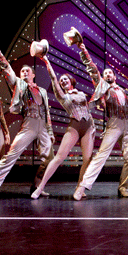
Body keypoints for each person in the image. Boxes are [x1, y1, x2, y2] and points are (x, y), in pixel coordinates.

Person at [0, 41, 54, 199]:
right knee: (9, 156)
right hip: (29, 124)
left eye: (27, 71)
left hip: (42, 125)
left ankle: (37, 186)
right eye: (22, 71)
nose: (24, 73)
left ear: (33, 74)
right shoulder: (18, 84)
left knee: (50, 158)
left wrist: (50, 131)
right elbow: (5, 66)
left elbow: (47, 113)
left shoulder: (42, 91)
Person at [73, 42, 128, 200]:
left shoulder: (121, 90)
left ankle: (123, 187)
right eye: (105, 73)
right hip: (114, 123)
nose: (107, 75)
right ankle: (82, 187)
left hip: (126, 124)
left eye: (110, 73)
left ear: (114, 76)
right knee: (102, 155)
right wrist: (83, 49)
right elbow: (93, 69)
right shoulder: (103, 88)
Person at [31, 55, 95, 199]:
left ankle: (80, 188)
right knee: (59, 157)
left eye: (65, 79)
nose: (63, 81)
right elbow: (54, 79)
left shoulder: (82, 94)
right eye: (62, 81)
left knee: (87, 159)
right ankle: (40, 187)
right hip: (74, 126)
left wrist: (94, 127)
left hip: (88, 127)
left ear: (71, 81)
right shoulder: (62, 96)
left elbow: (88, 110)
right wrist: (47, 61)